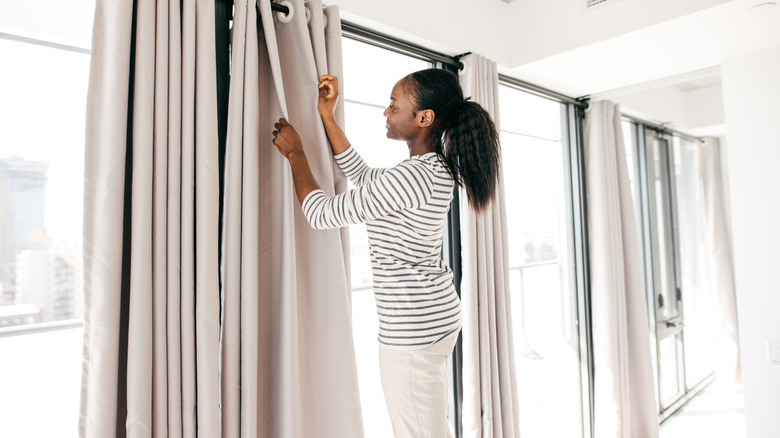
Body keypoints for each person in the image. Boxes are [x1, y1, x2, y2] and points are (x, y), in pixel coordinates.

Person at [271, 68, 500, 438]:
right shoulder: (434, 170)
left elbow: (321, 213)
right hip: (434, 319)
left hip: (412, 336)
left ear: (424, 118)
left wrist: (296, 153)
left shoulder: (412, 177)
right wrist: (327, 116)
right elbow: (362, 175)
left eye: (394, 106)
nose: (386, 112)